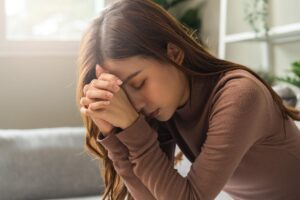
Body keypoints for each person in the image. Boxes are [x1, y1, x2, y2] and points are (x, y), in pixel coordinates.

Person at [76, 0, 300, 199]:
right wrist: (114, 136)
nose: (135, 105)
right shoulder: (165, 107)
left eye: (138, 83)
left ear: (173, 53)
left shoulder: (239, 95)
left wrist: (134, 129)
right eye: (123, 95)